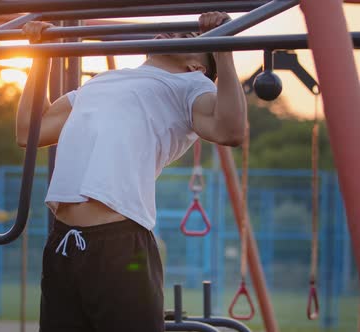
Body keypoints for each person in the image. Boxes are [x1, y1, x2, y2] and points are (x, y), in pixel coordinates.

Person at [16, 12, 247, 332]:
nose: (175, 33)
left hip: (120, 243)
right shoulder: (101, 82)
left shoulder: (190, 86)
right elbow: (30, 130)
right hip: (62, 243)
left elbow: (230, 130)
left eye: (189, 39)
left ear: (197, 66)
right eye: (173, 29)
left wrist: (223, 48)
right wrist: (39, 55)